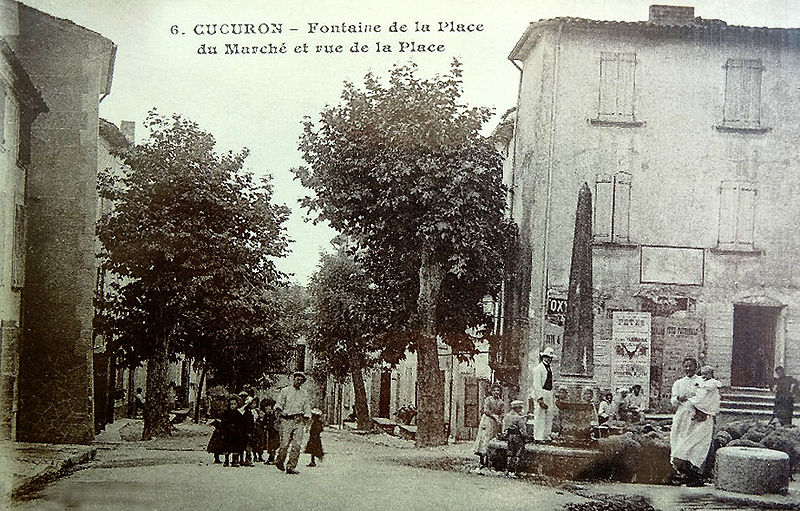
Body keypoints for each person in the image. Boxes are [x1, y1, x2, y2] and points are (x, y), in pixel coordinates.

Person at [669, 356, 705, 486]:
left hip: (696, 417)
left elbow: (706, 398)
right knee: (679, 443)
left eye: (691, 366)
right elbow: (673, 402)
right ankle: (682, 472)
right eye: (686, 366)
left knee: (694, 445)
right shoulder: (678, 383)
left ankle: (694, 474)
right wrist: (679, 398)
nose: (688, 368)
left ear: (696, 367)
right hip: (682, 417)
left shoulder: (702, 381)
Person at [274, 371, 312, 475]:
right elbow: (279, 403)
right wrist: (279, 411)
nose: (298, 382)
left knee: (297, 445)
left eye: (301, 380)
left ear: (303, 382)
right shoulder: (285, 391)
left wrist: (306, 417)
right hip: (286, 420)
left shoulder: (304, 394)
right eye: (297, 379)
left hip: (298, 420)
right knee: (284, 444)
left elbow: (307, 407)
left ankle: (291, 465)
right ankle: (279, 461)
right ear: (293, 379)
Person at [474, 383, 505, 469]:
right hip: (487, 421)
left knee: (492, 440)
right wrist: (493, 415)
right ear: (491, 391)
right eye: (494, 390)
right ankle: (481, 461)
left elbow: (502, 412)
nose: (496, 392)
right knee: (484, 439)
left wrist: (500, 418)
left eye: (498, 390)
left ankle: (489, 461)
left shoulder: (501, 402)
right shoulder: (488, 399)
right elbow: (486, 410)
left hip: (495, 423)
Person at [532, 346, 556, 442]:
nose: (549, 359)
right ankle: (538, 436)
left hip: (549, 393)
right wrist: (540, 398)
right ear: (543, 357)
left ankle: (546, 435)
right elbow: (537, 384)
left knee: (549, 414)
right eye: (547, 357)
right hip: (542, 392)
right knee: (540, 414)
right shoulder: (538, 368)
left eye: (550, 358)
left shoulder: (550, 369)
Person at [502, 400, 528, 477]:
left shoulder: (507, 416)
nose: (520, 410)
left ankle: (507, 470)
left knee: (510, 453)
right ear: (516, 408)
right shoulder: (518, 417)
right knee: (518, 454)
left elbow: (505, 427)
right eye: (520, 408)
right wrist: (526, 437)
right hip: (518, 436)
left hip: (510, 436)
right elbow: (522, 429)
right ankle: (515, 471)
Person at [219, 395, 242, 467]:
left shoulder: (238, 413)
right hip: (228, 432)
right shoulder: (226, 413)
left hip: (236, 432)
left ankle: (235, 460)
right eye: (231, 404)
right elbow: (223, 423)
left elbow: (241, 423)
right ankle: (226, 460)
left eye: (234, 404)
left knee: (235, 446)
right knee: (227, 446)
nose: (233, 406)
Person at [262, 397, 280, 464]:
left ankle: (272, 458)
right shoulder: (266, 415)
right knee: (269, 445)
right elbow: (264, 422)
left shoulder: (274, 415)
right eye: (266, 407)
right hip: (269, 432)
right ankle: (270, 457)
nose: (267, 409)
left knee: (273, 445)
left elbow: (273, 423)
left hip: (274, 432)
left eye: (269, 407)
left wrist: (268, 426)